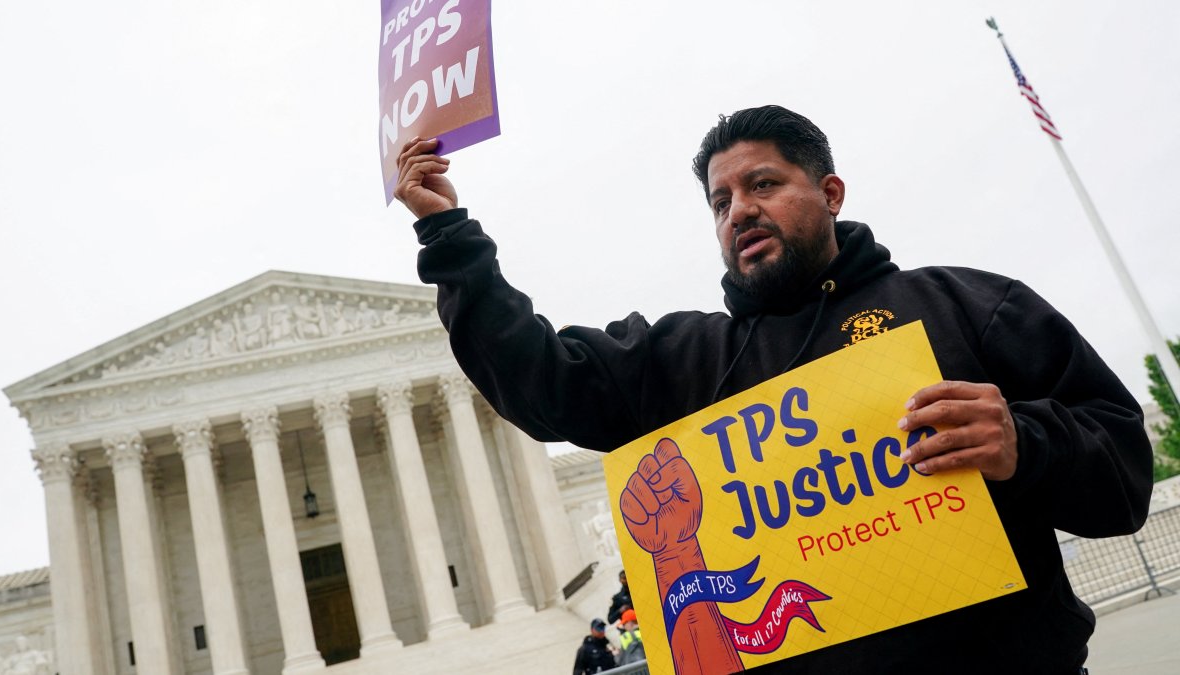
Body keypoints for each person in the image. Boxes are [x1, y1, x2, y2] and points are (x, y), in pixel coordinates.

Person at [394, 105, 1153, 673]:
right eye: (720, 202)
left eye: (763, 183)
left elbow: (1124, 477)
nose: (739, 211)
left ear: (829, 191)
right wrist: (450, 237)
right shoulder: (684, 360)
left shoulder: (970, 306)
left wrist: (1027, 442)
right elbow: (540, 383)